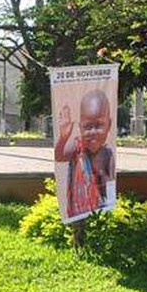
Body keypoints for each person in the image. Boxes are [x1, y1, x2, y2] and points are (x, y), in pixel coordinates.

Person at [55, 90, 115, 219]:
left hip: (100, 209)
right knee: (79, 234)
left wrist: (103, 178)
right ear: (80, 126)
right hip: (77, 212)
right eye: (87, 126)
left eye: (99, 125)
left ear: (109, 125)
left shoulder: (107, 154)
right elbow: (59, 157)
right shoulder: (77, 146)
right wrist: (63, 137)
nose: (93, 131)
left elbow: (111, 182)